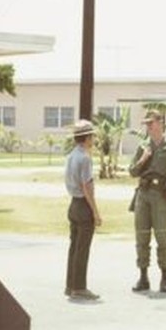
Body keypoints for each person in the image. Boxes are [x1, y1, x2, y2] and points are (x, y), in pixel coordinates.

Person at [128, 110, 166, 293]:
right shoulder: (143, 145)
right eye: (147, 123)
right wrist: (144, 158)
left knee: (162, 237)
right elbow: (132, 171)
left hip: (161, 196)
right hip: (143, 195)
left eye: (151, 123)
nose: (149, 127)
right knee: (141, 236)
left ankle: (164, 278)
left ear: (161, 123)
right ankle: (143, 277)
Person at [65, 119, 102, 301]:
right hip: (83, 205)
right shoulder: (85, 158)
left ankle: (70, 285)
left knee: (74, 247)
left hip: (73, 204)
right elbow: (87, 186)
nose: (93, 139)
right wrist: (95, 212)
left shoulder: (71, 156)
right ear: (86, 137)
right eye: (92, 136)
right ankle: (79, 287)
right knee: (82, 249)